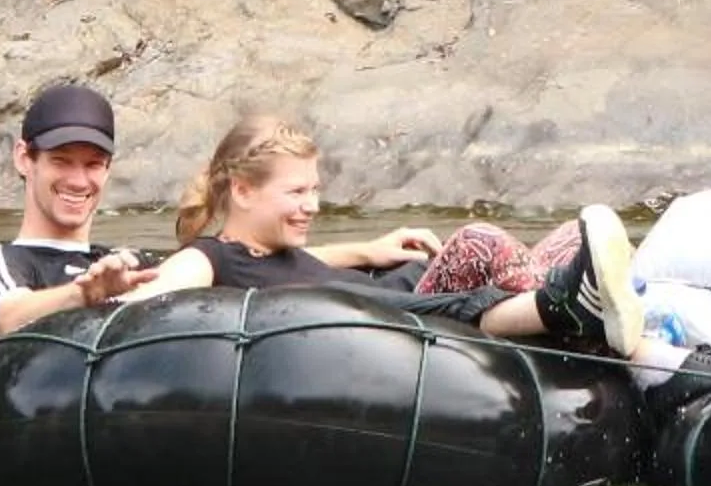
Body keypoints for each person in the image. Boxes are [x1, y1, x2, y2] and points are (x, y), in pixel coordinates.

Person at [122, 116, 648, 358]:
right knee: (480, 241)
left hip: (402, 289)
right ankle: (577, 317)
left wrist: (368, 248)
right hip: (406, 323)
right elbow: (152, 293)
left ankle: (591, 302)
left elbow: (295, 264)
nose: (313, 205)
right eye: (297, 192)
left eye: (315, 189)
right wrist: (97, 292)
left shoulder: (276, 251)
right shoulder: (210, 258)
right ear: (243, 191)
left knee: (568, 238)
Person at [0, 82, 159, 335]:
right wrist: (86, 295)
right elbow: (10, 319)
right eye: (61, 161)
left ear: (108, 169)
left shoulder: (125, 262)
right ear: (24, 159)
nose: (78, 181)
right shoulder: (4, 261)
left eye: (93, 164)